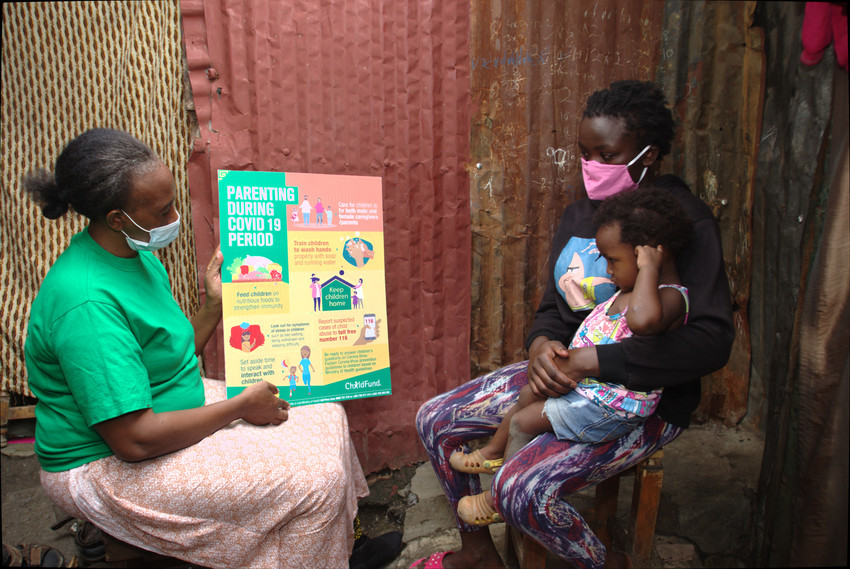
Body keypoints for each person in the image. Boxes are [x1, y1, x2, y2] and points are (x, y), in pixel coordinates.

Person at [413, 80, 734, 569]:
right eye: (584, 153)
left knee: (521, 492)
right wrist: (542, 346)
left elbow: (710, 343)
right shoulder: (580, 215)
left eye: (605, 155)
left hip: (635, 401)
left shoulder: (682, 224)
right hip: (565, 372)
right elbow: (552, 307)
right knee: (436, 420)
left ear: (646, 156)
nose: (591, 168)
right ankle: (479, 554)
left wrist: (598, 360)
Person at [22, 128, 376, 569]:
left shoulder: (137, 257)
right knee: (314, 480)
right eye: (162, 209)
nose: (174, 215)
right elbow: (133, 440)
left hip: (161, 409)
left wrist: (214, 305)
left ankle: (339, 545)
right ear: (117, 218)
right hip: (101, 464)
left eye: (172, 200)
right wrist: (239, 407)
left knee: (326, 411)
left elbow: (166, 356)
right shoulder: (86, 305)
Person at [452, 187, 693, 526]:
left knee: (525, 420)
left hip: (612, 406)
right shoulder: (626, 291)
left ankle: (496, 500)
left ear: (649, 255)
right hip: (592, 388)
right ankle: (494, 454)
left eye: (614, 261)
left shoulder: (670, 299)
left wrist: (650, 269)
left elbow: (641, 321)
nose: (607, 270)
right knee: (528, 394)